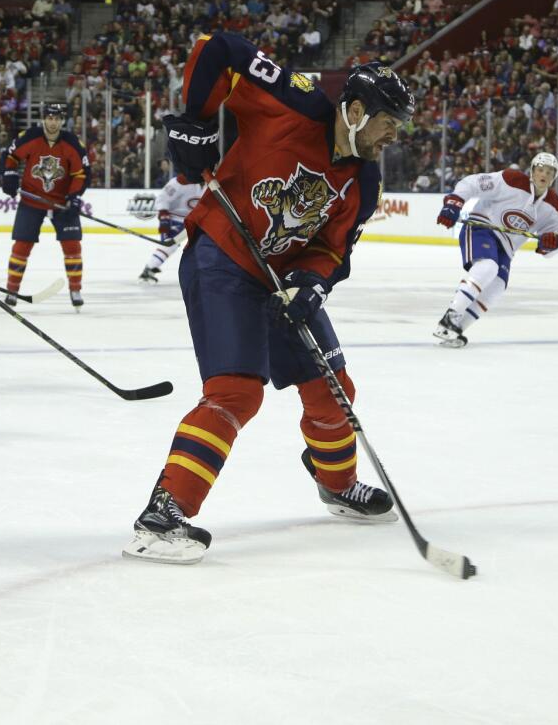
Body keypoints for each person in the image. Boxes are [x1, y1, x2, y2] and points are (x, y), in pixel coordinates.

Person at [122, 34, 414, 564]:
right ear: (354, 110)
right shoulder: (295, 102)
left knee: (332, 386)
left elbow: (333, 249)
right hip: (224, 259)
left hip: (282, 279)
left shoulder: (364, 182)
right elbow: (221, 50)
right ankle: (162, 515)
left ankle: (337, 484)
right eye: (388, 120)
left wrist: (313, 282)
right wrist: (194, 121)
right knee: (236, 392)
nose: (394, 133)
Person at [432, 154, 558, 347]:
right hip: (481, 226)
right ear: (532, 170)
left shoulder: (556, 208)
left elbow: (552, 246)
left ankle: (455, 329)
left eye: (549, 172)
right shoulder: (510, 180)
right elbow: (472, 183)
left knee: (496, 287)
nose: (544, 174)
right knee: (487, 267)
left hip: (507, 247)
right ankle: (450, 317)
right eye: (540, 169)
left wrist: (550, 244)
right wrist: (454, 202)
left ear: (554, 177)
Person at [0, 102, 90, 308]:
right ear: (43, 119)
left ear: (62, 120)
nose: (53, 122)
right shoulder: (30, 137)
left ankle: (75, 289)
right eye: (49, 118)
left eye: (57, 118)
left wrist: (75, 196)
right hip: (31, 200)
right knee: (21, 246)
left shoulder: (72, 143)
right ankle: (12, 290)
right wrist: (10, 174)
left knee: (72, 245)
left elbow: (81, 174)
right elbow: (11, 156)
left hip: (62, 204)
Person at [137, 172, 203, 284]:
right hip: (176, 219)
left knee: (204, 245)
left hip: (196, 220)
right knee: (170, 245)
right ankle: (149, 268)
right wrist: (164, 218)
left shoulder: (209, 183)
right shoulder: (180, 182)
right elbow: (163, 198)